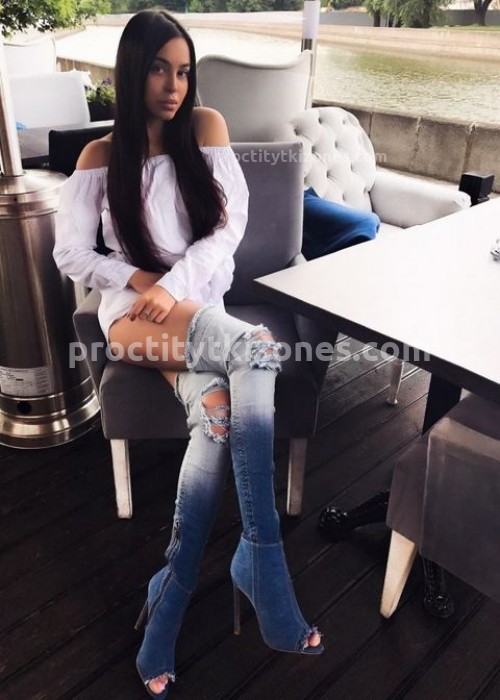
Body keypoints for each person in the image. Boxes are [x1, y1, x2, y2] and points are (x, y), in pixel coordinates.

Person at [53, 10, 323, 699]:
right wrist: (140, 279)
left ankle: (169, 596)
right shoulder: (99, 157)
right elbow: (71, 253)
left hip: (196, 304)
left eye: (183, 71)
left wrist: (172, 286)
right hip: (132, 316)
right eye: (158, 69)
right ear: (131, 70)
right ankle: (262, 559)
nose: (174, 85)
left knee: (218, 416)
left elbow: (227, 229)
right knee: (256, 351)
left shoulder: (205, 128)